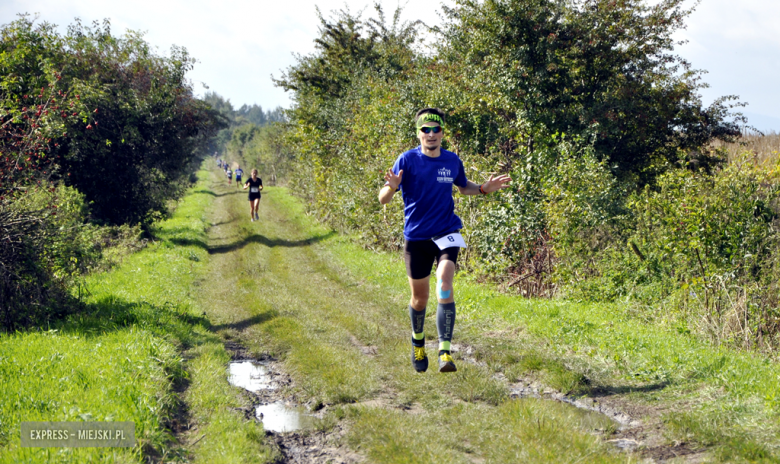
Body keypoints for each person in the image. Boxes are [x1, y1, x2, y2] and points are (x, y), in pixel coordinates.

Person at [379, 108, 511, 373]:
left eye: (435, 129)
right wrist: (392, 186)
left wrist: (484, 188)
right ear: (418, 133)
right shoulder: (406, 160)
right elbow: (383, 198)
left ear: (442, 133)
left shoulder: (452, 161)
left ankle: (445, 352)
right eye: (425, 129)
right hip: (416, 237)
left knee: (445, 283)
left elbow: (464, 187)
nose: (431, 134)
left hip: (446, 232)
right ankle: (418, 344)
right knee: (420, 299)